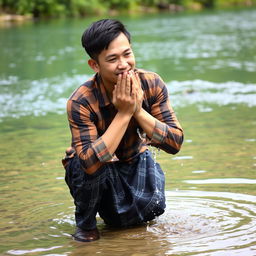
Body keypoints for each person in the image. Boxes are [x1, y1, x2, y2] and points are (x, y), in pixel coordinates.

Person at [62, 19, 184, 242]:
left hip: (133, 160)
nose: (124, 64)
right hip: (96, 174)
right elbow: (90, 163)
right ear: (94, 65)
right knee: (79, 162)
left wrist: (137, 110)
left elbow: (175, 143)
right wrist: (125, 113)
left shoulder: (151, 83)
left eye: (127, 54)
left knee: (147, 214)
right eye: (112, 59)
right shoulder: (81, 101)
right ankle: (87, 226)